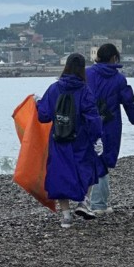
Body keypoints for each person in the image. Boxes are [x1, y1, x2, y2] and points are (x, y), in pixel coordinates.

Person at [36, 54, 105, 228]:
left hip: (59, 140)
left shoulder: (53, 89)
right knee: (88, 170)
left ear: (65, 67)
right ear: (83, 69)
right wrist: (97, 137)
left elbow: (43, 116)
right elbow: (93, 117)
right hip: (81, 139)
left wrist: (37, 102)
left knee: (60, 174)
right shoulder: (84, 90)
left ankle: (66, 216)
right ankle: (84, 202)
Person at [85, 43, 134, 215]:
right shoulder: (119, 79)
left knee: (88, 159)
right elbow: (128, 103)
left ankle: (84, 201)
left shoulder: (87, 74)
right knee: (103, 161)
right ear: (114, 58)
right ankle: (98, 204)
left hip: (87, 123)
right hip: (110, 125)